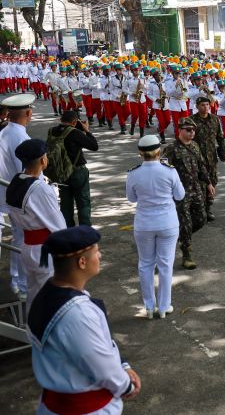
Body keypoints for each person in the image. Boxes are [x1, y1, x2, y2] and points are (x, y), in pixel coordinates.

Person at [28, 226, 142, 413]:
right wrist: (126, 385)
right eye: (97, 252)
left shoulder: (48, 293)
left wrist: (123, 365)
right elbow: (102, 368)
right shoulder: (77, 314)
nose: (100, 256)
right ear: (82, 262)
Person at [126, 135, 185, 319]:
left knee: (145, 264)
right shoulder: (169, 171)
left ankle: (149, 306)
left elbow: (131, 198)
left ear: (140, 153)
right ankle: (164, 306)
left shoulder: (133, 173)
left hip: (144, 224)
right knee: (166, 264)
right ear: (159, 152)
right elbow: (180, 195)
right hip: (167, 223)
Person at [5, 139, 67, 304]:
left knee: (33, 294)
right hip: (43, 250)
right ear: (42, 160)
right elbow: (59, 226)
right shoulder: (40, 189)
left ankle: (31, 326)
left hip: (28, 245)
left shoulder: (16, 181)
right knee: (50, 297)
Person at [162, 118, 212, 270]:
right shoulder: (171, 149)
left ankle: (178, 236)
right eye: (188, 130)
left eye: (193, 130)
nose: (192, 133)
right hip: (179, 192)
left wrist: (209, 183)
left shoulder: (195, 146)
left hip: (196, 189)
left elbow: (201, 166)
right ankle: (187, 255)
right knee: (185, 222)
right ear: (180, 130)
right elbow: (163, 172)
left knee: (202, 219)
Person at [0, 93, 34, 300]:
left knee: (18, 238)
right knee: (22, 240)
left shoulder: (5, 131)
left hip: (7, 194)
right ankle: (20, 284)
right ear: (28, 113)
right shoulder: (20, 137)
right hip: (17, 197)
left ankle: (17, 279)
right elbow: (25, 171)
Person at [46, 110, 99, 226]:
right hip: (77, 171)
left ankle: (67, 229)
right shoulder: (75, 133)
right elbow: (94, 146)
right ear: (74, 122)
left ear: (61, 120)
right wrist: (87, 131)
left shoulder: (52, 131)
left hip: (59, 172)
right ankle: (85, 232)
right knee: (83, 202)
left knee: (65, 203)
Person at [190, 97, 225, 220]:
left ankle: (208, 208)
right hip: (197, 158)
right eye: (202, 105)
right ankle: (199, 209)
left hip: (211, 158)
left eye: (207, 105)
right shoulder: (191, 121)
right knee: (199, 183)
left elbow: (220, 137)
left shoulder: (215, 119)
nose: (205, 107)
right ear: (197, 106)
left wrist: (224, 152)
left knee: (212, 181)